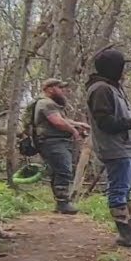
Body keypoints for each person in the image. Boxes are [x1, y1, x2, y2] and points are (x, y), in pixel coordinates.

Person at [85, 48, 131, 249]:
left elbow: (119, 120)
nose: (125, 71)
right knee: (119, 190)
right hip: (114, 149)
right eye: (123, 67)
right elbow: (105, 122)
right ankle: (125, 235)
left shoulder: (113, 87)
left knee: (128, 189)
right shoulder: (100, 90)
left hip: (125, 147)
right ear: (114, 68)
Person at [30, 78, 89, 215]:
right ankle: (63, 203)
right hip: (52, 142)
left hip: (55, 141)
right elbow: (57, 122)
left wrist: (77, 124)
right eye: (59, 88)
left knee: (58, 171)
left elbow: (62, 120)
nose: (63, 91)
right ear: (49, 89)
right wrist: (74, 131)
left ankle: (60, 203)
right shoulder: (46, 103)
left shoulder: (50, 104)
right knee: (64, 170)